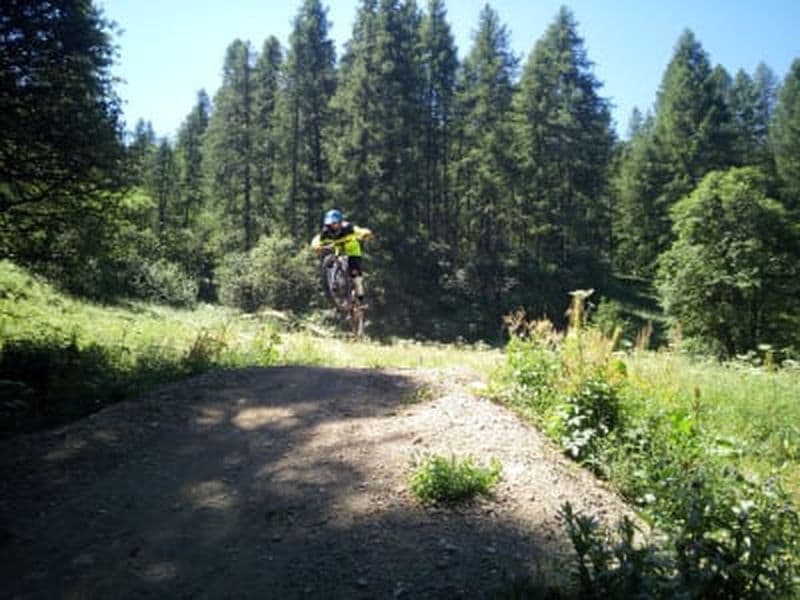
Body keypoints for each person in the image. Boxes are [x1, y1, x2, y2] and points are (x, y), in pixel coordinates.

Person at [310, 209, 374, 303]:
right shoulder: (326, 232)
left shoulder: (348, 227)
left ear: (340, 222)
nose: (332, 226)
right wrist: (316, 246)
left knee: (354, 271)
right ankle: (335, 280)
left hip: (352, 249)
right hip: (338, 249)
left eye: (334, 223)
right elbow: (317, 239)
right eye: (329, 224)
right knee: (332, 261)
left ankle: (360, 295)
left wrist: (366, 234)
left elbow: (360, 231)